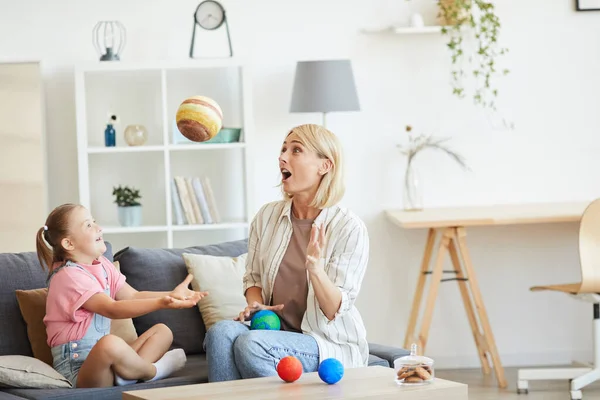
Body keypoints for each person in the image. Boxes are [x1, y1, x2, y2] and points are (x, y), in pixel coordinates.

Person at [204, 123, 370, 382]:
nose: (282, 157)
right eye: (283, 149)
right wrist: (255, 305)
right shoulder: (267, 216)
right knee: (220, 333)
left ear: (324, 166)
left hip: (326, 342)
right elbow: (253, 278)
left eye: (296, 150)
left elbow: (334, 309)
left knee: (251, 345)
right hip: (276, 331)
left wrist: (315, 267)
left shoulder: (349, 227)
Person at [35, 203, 208, 388]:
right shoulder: (68, 276)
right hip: (80, 371)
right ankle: (153, 371)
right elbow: (112, 308)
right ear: (68, 243)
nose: (98, 227)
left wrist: (171, 295)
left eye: (94, 221)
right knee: (109, 343)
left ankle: (127, 375)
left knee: (162, 331)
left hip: (109, 364)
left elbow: (132, 296)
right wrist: (161, 303)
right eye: (88, 225)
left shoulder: (102, 264)